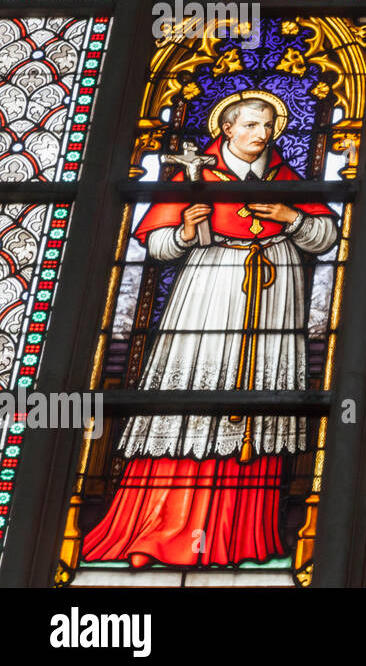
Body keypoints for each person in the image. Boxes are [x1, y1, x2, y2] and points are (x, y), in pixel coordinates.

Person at [82, 93, 338, 568]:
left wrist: (291, 217)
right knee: (197, 389)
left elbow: (327, 237)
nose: (262, 134)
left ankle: (241, 538)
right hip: (210, 283)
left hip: (279, 289)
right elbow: (157, 243)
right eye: (251, 125)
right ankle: (162, 530)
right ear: (227, 128)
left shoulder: (284, 178)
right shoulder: (195, 174)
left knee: (263, 398)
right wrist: (183, 230)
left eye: (268, 126)